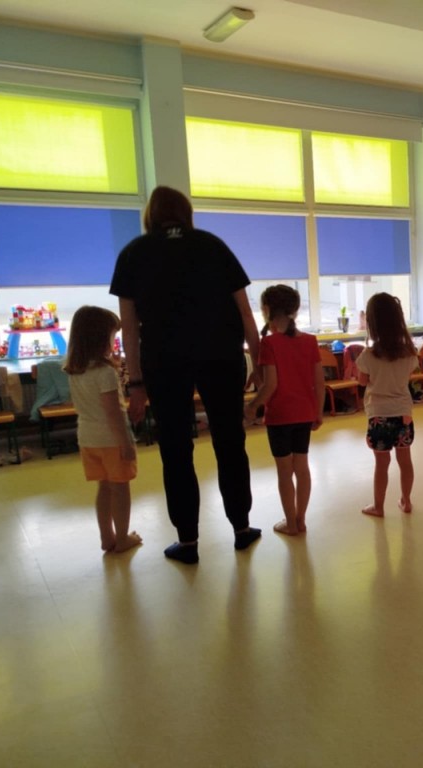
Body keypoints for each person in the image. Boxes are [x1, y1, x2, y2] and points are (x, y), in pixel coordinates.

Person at [111, 186, 262, 565]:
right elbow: (245, 313)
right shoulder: (212, 245)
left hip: (165, 362)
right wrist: (260, 364)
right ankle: (242, 528)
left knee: (175, 450)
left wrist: (136, 383)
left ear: (151, 215)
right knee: (230, 441)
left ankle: (188, 541)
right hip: (221, 356)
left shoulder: (133, 253)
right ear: (185, 212)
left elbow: (129, 328)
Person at [243, 285, 324, 535]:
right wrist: (319, 412)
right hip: (304, 413)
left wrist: (252, 406)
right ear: (295, 310)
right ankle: (301, 519)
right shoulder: (310, 341)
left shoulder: (269, 343)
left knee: (285, 471)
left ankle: (290, 523)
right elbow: (319, 382)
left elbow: (271, 386)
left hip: (280, 416)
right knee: (302, 467)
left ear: (266, 310)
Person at [64, 306, 141, 555]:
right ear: (100, 338)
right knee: (121, 489)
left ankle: (107, 538)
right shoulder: (104, 373)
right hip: (111, 441)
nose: (114, 341)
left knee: (104, 487)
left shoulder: (76, 370)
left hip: (88, 439)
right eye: (112, 336)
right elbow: (113, 412)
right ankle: (122, 538)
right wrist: (126, 443)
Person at [355, 292, 418, 517]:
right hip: (403, 414)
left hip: (378, 415)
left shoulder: (368, 355)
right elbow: (407, 376)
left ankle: (378, 507)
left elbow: (363, 381)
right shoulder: (409, 353)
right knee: (405, 461)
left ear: (372, 323)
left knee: (381, 464)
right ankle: (406, 501)